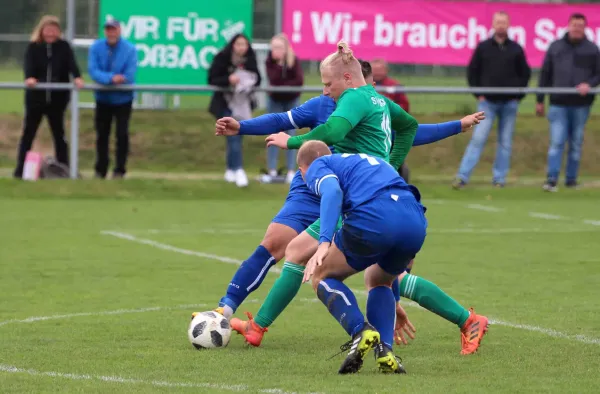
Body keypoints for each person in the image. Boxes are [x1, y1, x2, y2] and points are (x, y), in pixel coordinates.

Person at [205, 53, 487, 354]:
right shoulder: (349, 104)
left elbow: (345, 134)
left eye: (329, 83)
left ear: (351, 80)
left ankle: (422, 325)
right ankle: (246, 319)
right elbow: (284, 119)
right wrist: (245, 127)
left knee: (334, 264)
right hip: (366, 194)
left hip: (359, 199)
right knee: (357, 269)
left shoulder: (361, 102)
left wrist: (294, 143)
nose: (326, 89)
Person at [298, 141, 426, 374]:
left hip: (376, 216)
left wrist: (323, 242)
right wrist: (395, 302)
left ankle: (360, 330)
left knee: (321, 275)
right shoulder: (367, 160)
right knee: (380, 280)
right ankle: (385, 352)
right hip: (414, 219)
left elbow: (332, 191)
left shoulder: (318, 165)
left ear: (302, 171)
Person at [454, 11, 531, 189]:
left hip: (509, 103)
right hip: (487, 103)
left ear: (508, 24)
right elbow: (472, 72)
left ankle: (499, 179)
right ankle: (462, 176)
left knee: (505, 141)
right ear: (493, 24)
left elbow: (525, 74)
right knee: (478, 138)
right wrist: (478, 93)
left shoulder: (516, 49)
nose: (501, 25)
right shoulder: (483, 47)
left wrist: (517, 95)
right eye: (498, 22)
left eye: (504, 22)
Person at [14, 15, 83, 179]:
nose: (51, 33)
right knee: (28, 134)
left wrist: (77, 77)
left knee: (59, 135)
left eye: (54, 29)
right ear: (42, 30)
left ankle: (65, 169)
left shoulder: (64, 47)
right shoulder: (34, 47)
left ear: (58, 31)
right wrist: (30, 77)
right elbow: (28, 66)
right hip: (36, 100)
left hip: (57, 100)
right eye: (47, 29)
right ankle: (20, 170)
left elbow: (71, 64)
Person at [537, 13, 600, 192]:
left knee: (576, 143)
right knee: (557, 141)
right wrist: (540, 100)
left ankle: (571, 179)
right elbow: (545, 74)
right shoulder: (555, 47)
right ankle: (552, 178)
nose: (577, 28)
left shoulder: (592, 49)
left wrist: (590, 84)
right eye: (574, 25)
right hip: (558, 103)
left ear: (585, 27)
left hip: (581, 104)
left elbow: (598, 73)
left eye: (580, 25)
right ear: (568, 26)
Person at [208, 34, 261, 188]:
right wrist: (228, 80)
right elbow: (212, 79)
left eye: (244, 44)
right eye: (238, 44)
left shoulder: (250, 60)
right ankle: (238, 170)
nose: (241, 47)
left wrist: (248, 80)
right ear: (232, 45)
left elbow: (258, 79)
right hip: (225, 102)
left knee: (238, 135)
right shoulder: (222, 58)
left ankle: (231, 169)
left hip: (243, 103)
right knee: (232, 135)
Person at [88, 19, 137, 179]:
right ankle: (100, 170)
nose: (111, 32)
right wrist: (111, 78)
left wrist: (118, 79)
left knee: (122, 135)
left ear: (119, 30)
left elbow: (130, 74)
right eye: (108, 29)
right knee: (102, 135)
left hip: (123, 99)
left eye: (114, 29)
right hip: (102, 99)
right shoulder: (96, 47)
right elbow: (93, 71)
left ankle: (119, 170)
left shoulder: (130, 49)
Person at [264, 33, 304, 184]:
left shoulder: (294, 62)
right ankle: (272, 169)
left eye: (279, 47)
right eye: (274, 47)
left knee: (291, 135)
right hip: (274, 101)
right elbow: (273, 79)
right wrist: (280, 69)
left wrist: (284, 85)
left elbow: (298, 81)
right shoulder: (270, 62)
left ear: (286, 48)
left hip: (291, 101)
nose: (276, 50)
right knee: (273, 134)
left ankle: (291, 170)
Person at [370, 59, 412, 182]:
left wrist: (390, 112)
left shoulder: (394, 86)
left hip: (390, 129)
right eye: (374, 70)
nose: (377, 73)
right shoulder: (363, 86)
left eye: (380, 69)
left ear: (386, 70)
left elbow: (405, 107)